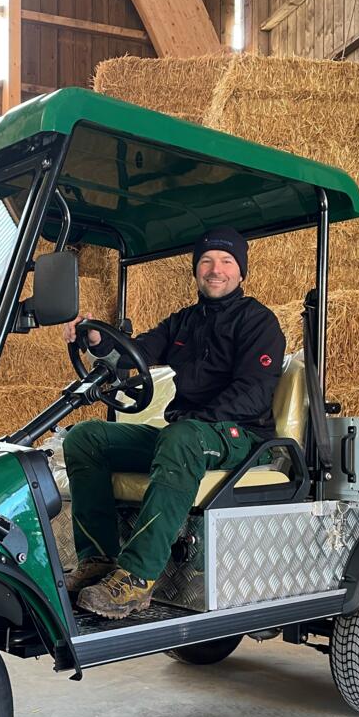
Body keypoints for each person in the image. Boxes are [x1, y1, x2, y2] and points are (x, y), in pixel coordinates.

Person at [60, 227, 285, 619]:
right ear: (196, 270)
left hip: (240, 435)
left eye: (226, 261)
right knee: (86, 437)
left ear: (241, 272)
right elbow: (137, 354)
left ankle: (139, 576)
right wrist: (98, 341)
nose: (216, 270)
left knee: (181, 437)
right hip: (186, 435)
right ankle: (98, 558)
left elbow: (254, 392)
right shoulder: (183, 322)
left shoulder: (258, 322)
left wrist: (193, 421)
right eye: (207, 261)